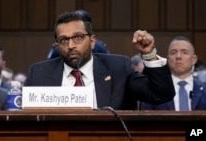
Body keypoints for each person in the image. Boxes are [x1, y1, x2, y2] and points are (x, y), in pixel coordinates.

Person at [24, 11, 175, 110]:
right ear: (57, 44)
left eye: (78, 37)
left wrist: (149, 55)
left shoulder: (118, 69)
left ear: (92, 41)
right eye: (63, 40)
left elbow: (160, 94)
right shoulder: (38, 74)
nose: (71, 45)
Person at [141, 36, 206, 110]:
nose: (178, 57)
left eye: (184, 52)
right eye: (173, 52)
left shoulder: (204, 90)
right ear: (168, 59)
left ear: (194, 59)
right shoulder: (154, 91)